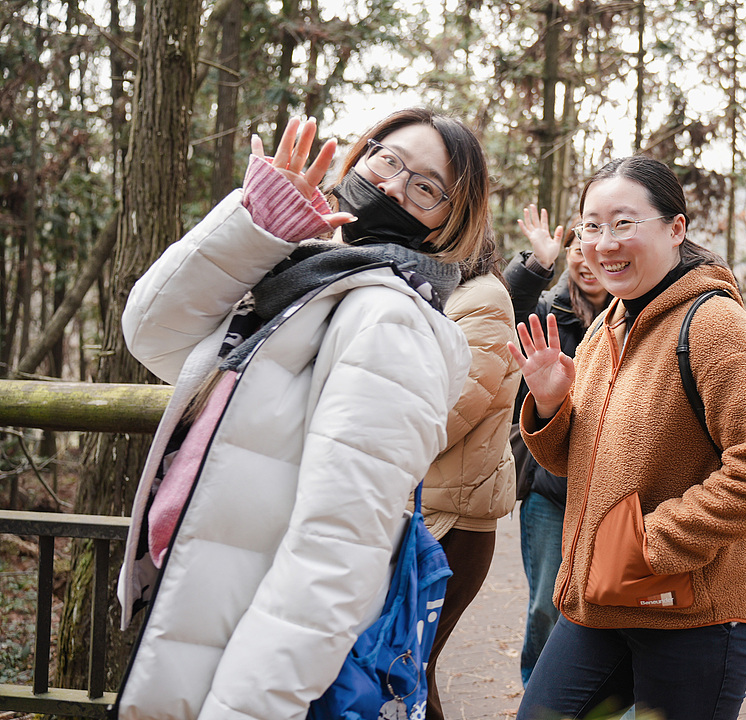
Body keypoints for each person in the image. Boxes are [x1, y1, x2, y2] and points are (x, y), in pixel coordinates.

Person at [113, 108, 490, 720]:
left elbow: (336, 553)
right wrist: (257, 227)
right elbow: (154, 335)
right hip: (202, 596)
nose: (393, 187)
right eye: (388, 160)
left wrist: (248, 709)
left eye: (425, 187)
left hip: (250, 649)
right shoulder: (301, 274)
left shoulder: (392, 322)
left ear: (449, 222)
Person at [508, 155, 746, 720]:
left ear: (675, 228)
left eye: (624, 223)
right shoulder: (606, 326)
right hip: (599, 600)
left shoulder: (715, 326)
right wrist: (550, 404)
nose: (604, 242)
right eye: (592, 225)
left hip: (697, 609)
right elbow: (575, 462)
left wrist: (650, 546)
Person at [504, 202, 610, 685]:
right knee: (547, 606)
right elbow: (507, 311)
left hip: (613, 492)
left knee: (605, 608)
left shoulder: (635, 315)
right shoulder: (549, 310)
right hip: (549, 490)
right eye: (576, 247)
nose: (585, 261)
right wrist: (536, 265)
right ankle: (537, 696)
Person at [417, 231, 522, 720]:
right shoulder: (442, 291)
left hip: (453, 519)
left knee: (409, 661)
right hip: (433, 504)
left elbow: (453, 409)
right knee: (409, 661)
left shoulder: (482, 300)